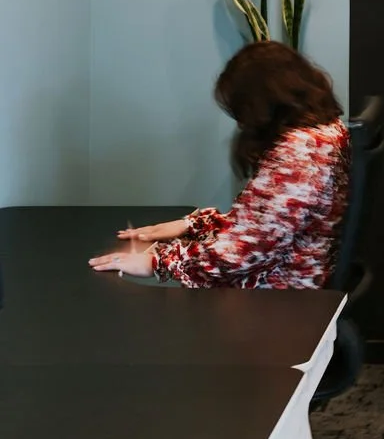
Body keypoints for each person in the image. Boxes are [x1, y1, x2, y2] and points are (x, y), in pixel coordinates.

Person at [89, 42, 350, 288]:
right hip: (299, 275)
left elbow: (241, 253)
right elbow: (266, 226)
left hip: (280, 293)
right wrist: (194, 226)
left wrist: (158, 262)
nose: (241, 123)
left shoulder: (298, 151)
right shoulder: (326, 131)